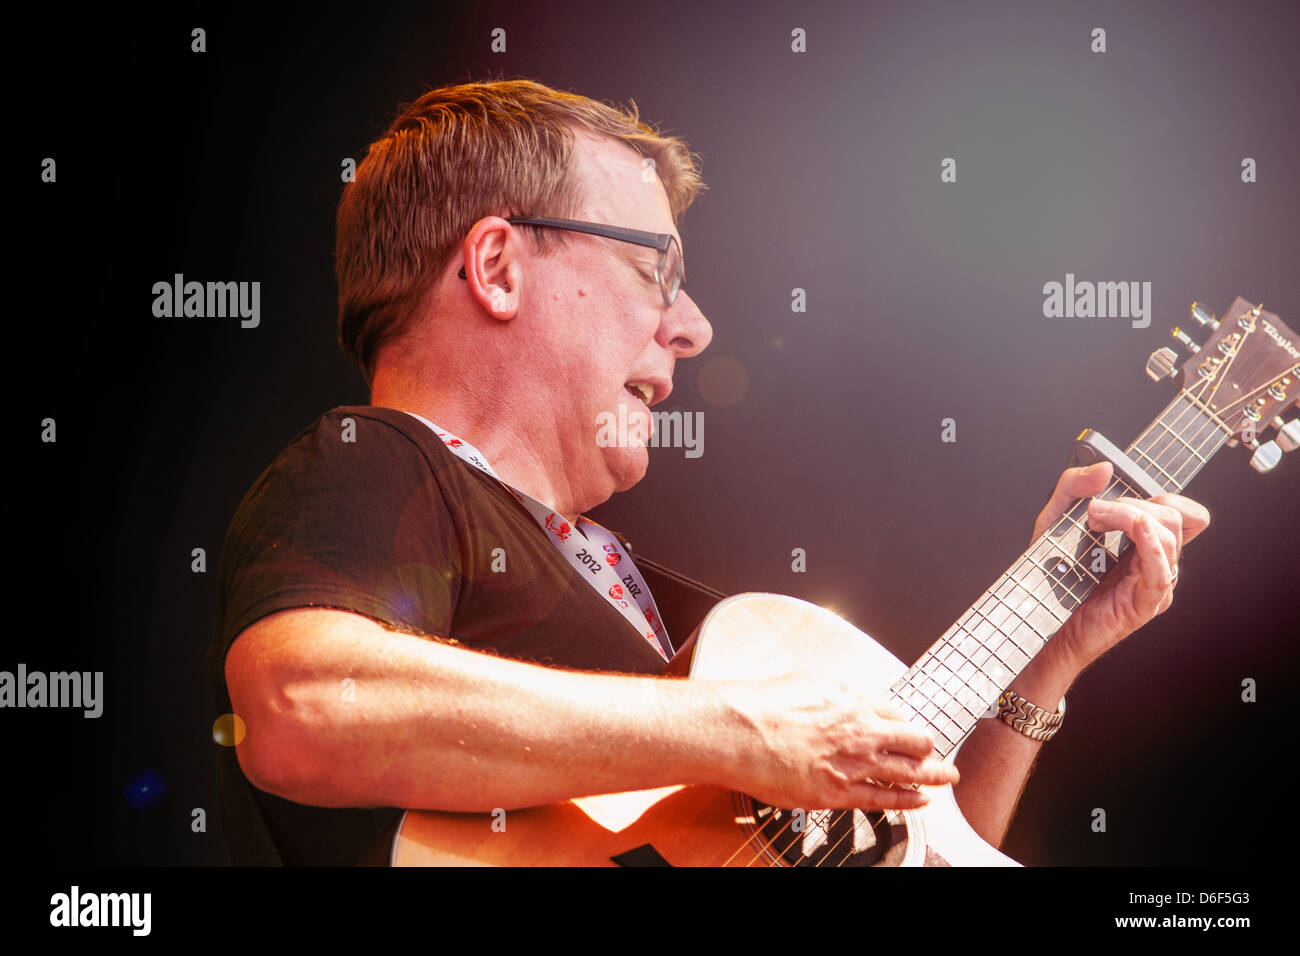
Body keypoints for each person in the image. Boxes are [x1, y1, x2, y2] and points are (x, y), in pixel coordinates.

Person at [208, 79, 1209, 866]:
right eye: (657, 270)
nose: (693, 326)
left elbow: (903, 848)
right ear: (500, 267)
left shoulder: (628, 586)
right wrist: (746, 731)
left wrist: (1043, 658)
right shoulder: (377, 461)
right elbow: (300, 704)